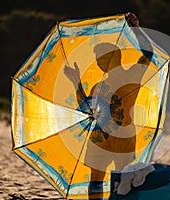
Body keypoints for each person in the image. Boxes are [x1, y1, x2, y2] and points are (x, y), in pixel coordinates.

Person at [64, 13, 153, 199]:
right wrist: (76, 82)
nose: (98, 63)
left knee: (123, 180)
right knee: (96, 180)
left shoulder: (132, 76)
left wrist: (136, 29)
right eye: (97, 59)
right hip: (99, 139)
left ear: (114, 57)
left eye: (102, 58)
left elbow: (148, 53)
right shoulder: (99, 85)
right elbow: (87, 109)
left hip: (123, 137)